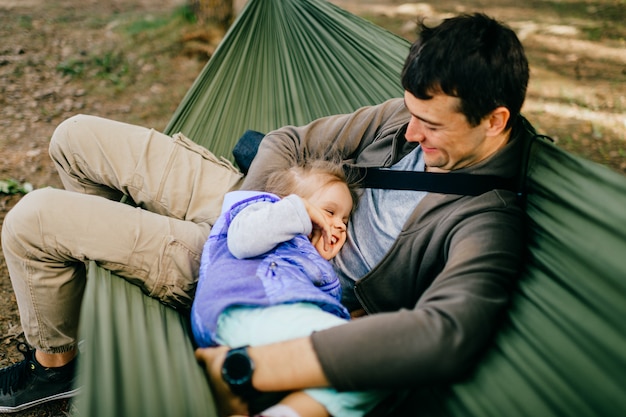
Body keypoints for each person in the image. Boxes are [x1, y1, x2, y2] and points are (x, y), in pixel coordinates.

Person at [0, 12, 530, 416]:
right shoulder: (404, 115)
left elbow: (447, 332)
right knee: (74, 138)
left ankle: (58, 365)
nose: (411, 132)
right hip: (260, 203)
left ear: (494, 120)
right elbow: (287, 141)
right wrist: (246, 214)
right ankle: (93, 294)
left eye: (430, 127)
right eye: (410, 114)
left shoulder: (486, 220)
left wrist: (242, 254)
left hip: (272, 279)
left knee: (34, 219)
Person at [192, 160, 387, 417]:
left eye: (344, 219)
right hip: (250, 307)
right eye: (329, 212)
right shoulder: (262, 211)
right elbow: (243, 242)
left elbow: (298, 298)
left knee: (373, 372)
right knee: (379, 357)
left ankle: (237, 377)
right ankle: (234, 368)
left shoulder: (305, 262)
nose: (339, 225)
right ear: (290, 202)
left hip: (258, 322)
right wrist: (298, 211)